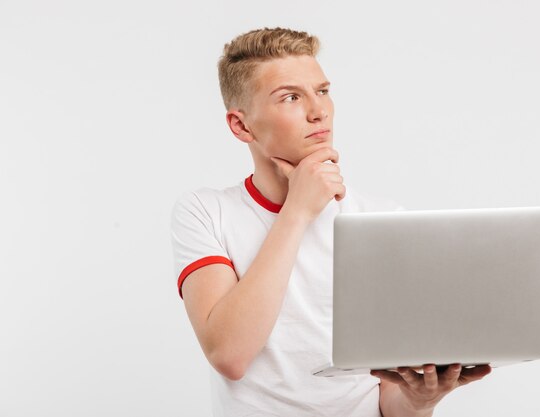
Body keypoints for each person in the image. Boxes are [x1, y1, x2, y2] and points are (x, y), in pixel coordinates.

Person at [170, 27, 491, 417]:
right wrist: (298, 211)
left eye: (322, 91)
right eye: (291, 97)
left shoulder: (382, 221)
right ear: (241, 126)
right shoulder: (205, 212)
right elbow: (229, 355)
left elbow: (388, 401)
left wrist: (420, 399)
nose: (319, 110)